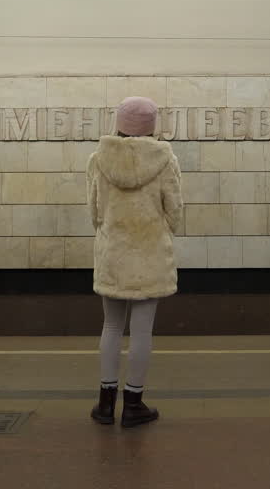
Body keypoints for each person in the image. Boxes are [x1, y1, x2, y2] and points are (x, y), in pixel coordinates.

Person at [86, 96, 184, 428]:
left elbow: (95, 212)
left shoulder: (99, 158)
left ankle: (104, 404)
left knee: (111, 326)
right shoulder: (165, 159)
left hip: (114, 252)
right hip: (150, 253)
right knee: (142, 331)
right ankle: (133, 404)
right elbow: (175, 211)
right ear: (151, 127)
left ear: (119, 123)